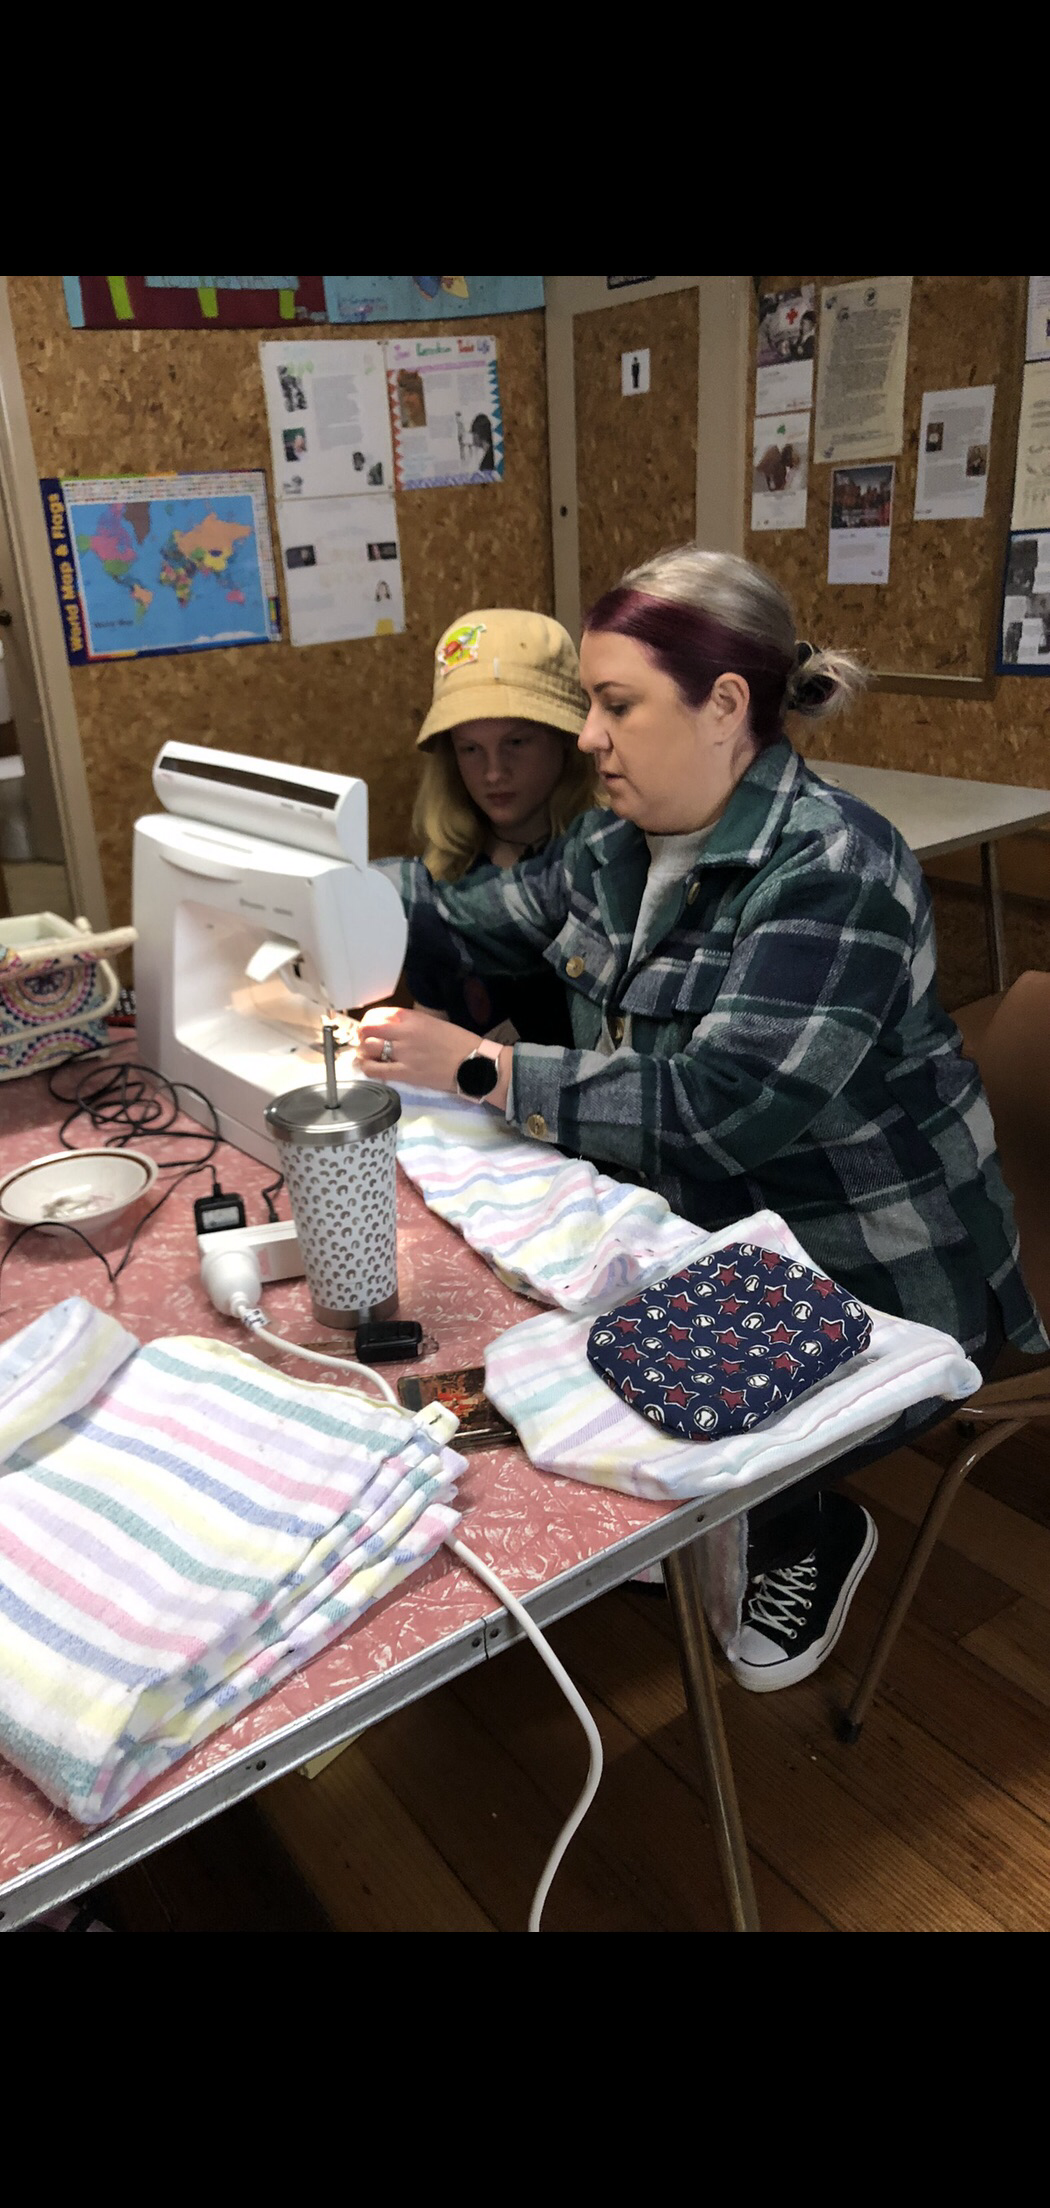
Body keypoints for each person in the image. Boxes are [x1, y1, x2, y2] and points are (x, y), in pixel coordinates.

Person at [360, 547, 1047, 1692]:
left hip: (874, 1270)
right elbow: (466, 912)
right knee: (533, 1378)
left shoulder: (837, 869)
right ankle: (726, 1506)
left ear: (726, 706)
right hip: (708, 1227)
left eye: (615, 704)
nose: (587, 737)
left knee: (589, 1428)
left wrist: (483, 1068)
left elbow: (721, 1112)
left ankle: (808, 1527)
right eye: (587, 703)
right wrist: (298, 886)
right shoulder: (610, 846)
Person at [399, 608, 597, 1046]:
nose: (493, 772)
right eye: (470, 748)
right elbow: (430, 1022)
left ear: (567, 739)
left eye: (517, 742)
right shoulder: (446, 872)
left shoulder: (599, 858)